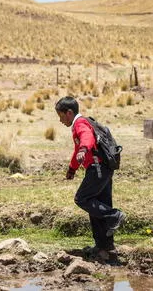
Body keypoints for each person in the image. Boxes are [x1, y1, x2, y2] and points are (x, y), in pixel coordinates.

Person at [55, 96, 126, 264]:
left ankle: (114, 216)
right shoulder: (84, 122)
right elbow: (77, 150)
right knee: (96, 207)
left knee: (82, 199)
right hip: (104, 168)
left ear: (69, 112)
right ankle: (104, 247)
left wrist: (84, 149)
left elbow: (87, 138)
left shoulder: (80, 124)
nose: (60, 120)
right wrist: (72, 168)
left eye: (61, 116)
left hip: (98, 168)